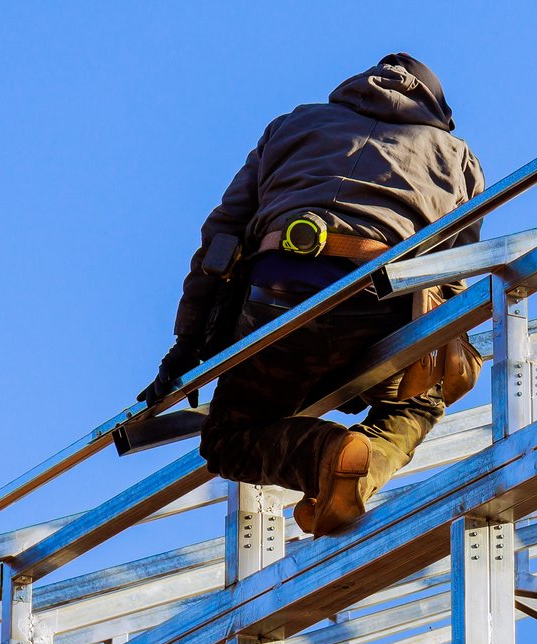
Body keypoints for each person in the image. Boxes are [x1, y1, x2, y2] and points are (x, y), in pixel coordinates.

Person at [140, 52, 486, 537]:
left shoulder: (292, 125)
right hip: (377, 307)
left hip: (277, 301)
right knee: (420, 399)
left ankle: (328, 458)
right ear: (436, 108)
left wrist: (187, 347)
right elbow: (453, 275)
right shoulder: (458, 158)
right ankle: (352, 467)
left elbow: (220, 240)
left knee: (228, 438)